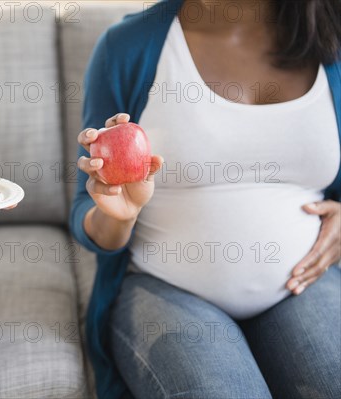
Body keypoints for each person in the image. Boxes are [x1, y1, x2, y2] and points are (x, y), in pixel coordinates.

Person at [71, 0, 341, 398]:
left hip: (303, 284)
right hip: (163, 289)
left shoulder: (329, 39)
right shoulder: (127, 47)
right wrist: (118, 216)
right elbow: (86, 213)